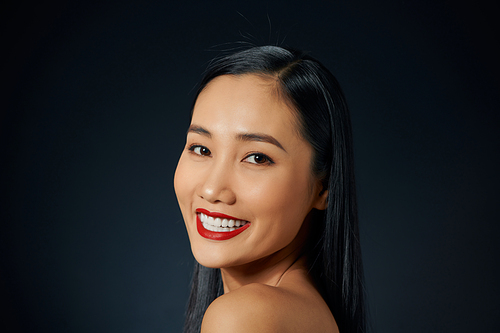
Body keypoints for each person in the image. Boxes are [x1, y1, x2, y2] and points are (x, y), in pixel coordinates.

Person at [174, 45, 366, 333]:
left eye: (257, 158)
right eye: (201, 149)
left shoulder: (244, 317)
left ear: (322, 188)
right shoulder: (304, 311)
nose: (213, 189)